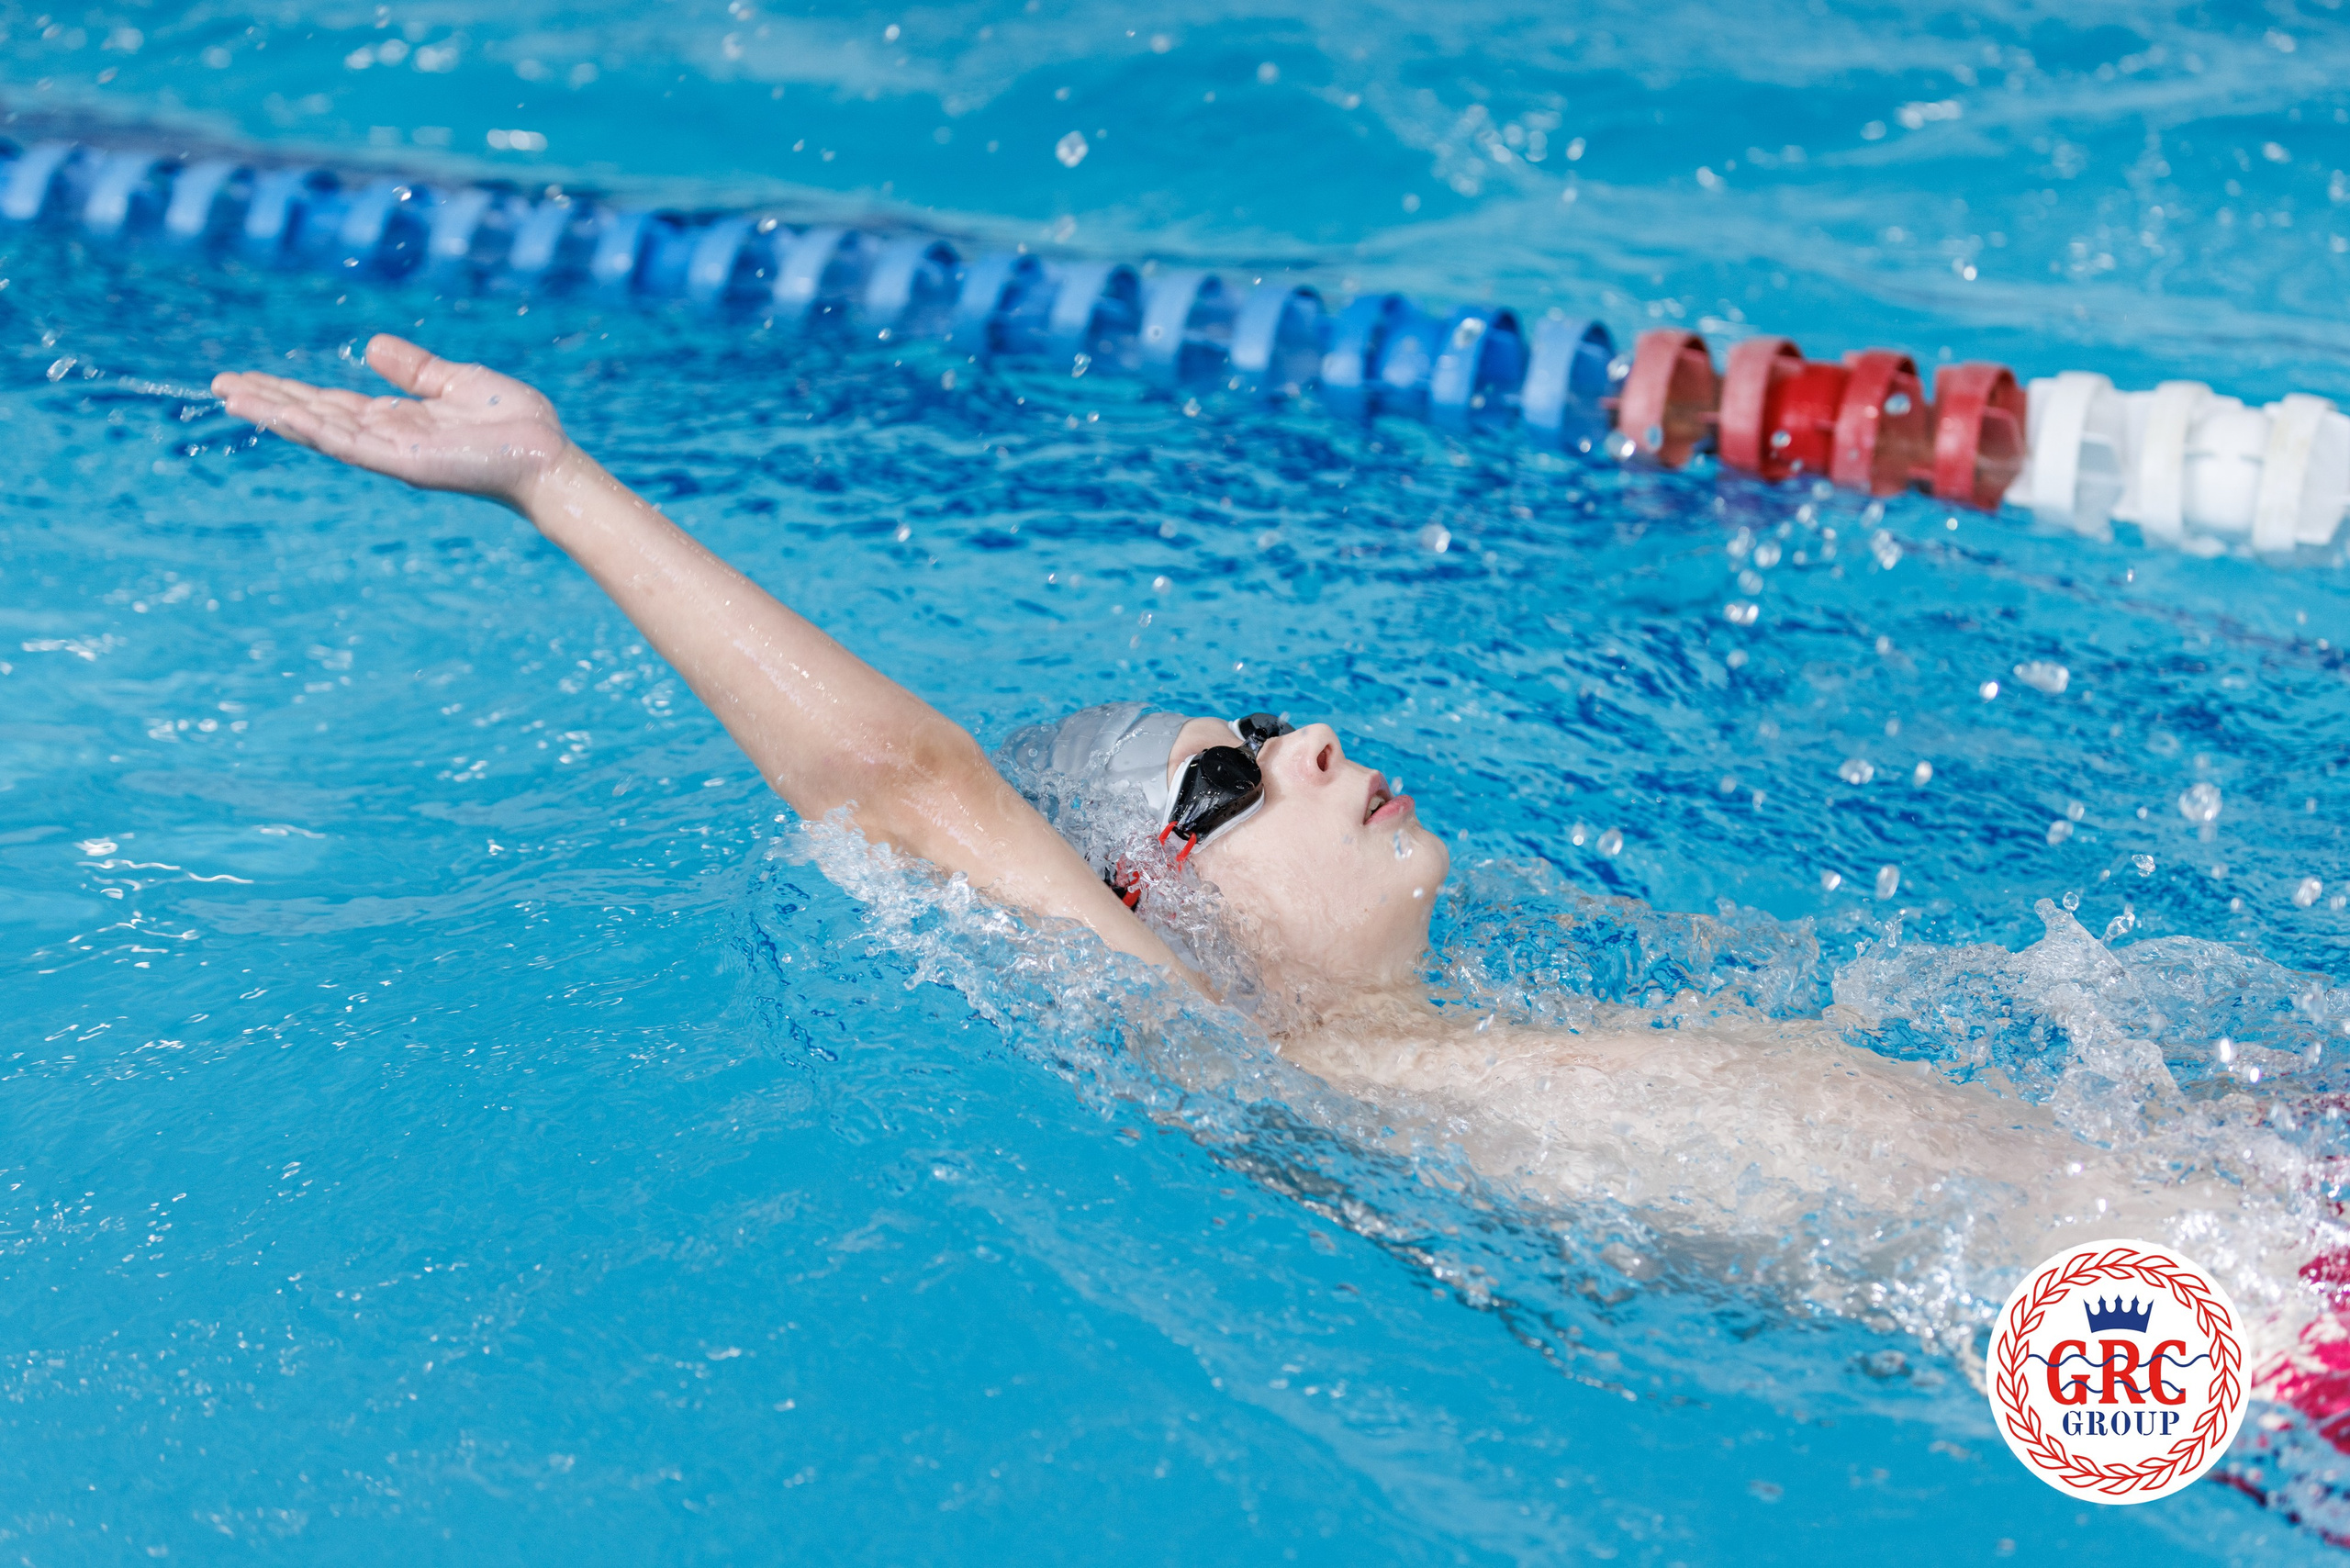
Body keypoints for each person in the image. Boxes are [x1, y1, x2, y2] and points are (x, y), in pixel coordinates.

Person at [214, 335, 2323, 1366]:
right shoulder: (1283, 1081)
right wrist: (560, 482)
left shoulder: (1498, 1029)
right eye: (1225, 781)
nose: (1312, 740)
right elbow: (908, 792)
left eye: (1267, 723)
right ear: (1147, 912)